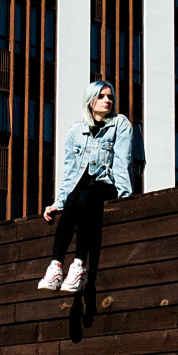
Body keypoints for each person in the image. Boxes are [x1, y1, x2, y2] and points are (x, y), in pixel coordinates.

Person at [39, 81, 134, 293]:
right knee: (75, 197)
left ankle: (79, 265)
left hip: (107, 184)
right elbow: (70, 172)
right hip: (82, 190)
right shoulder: (76, 130)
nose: (107, 101)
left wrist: (125, 198)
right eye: (101, 97)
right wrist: (59, 202)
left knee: (83, 198)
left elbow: (122, 162)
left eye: (110, 97)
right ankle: (55, 267)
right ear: (90, 101)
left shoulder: (120, 124)